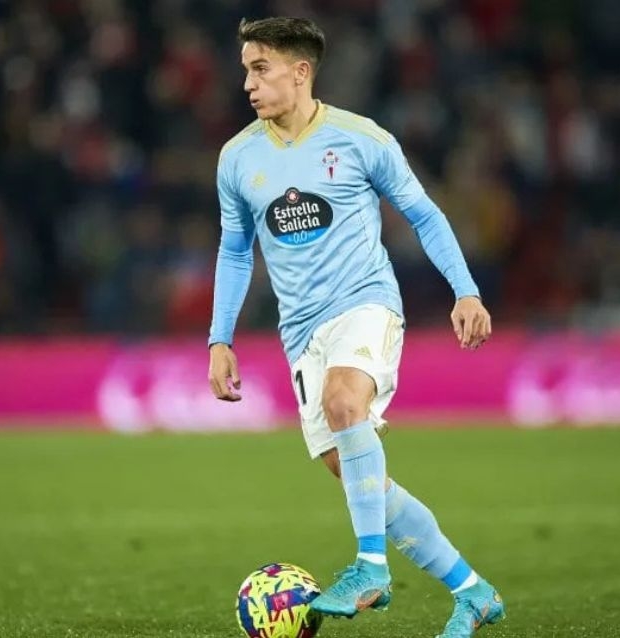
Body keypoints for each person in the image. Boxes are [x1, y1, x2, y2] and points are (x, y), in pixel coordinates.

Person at [206, 17, 505, 638]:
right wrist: (220, 339)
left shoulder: (362, 139)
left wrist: (465, 290)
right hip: (300, 333)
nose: (248, 84)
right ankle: (472, 591)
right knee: (365, 480)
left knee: (345, 403)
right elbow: (235, 251)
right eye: (245, 71)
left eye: (259, 69)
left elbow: (424, 214)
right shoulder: (237, 158)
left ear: (300, 72)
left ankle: (371, 568)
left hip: (366, 303)